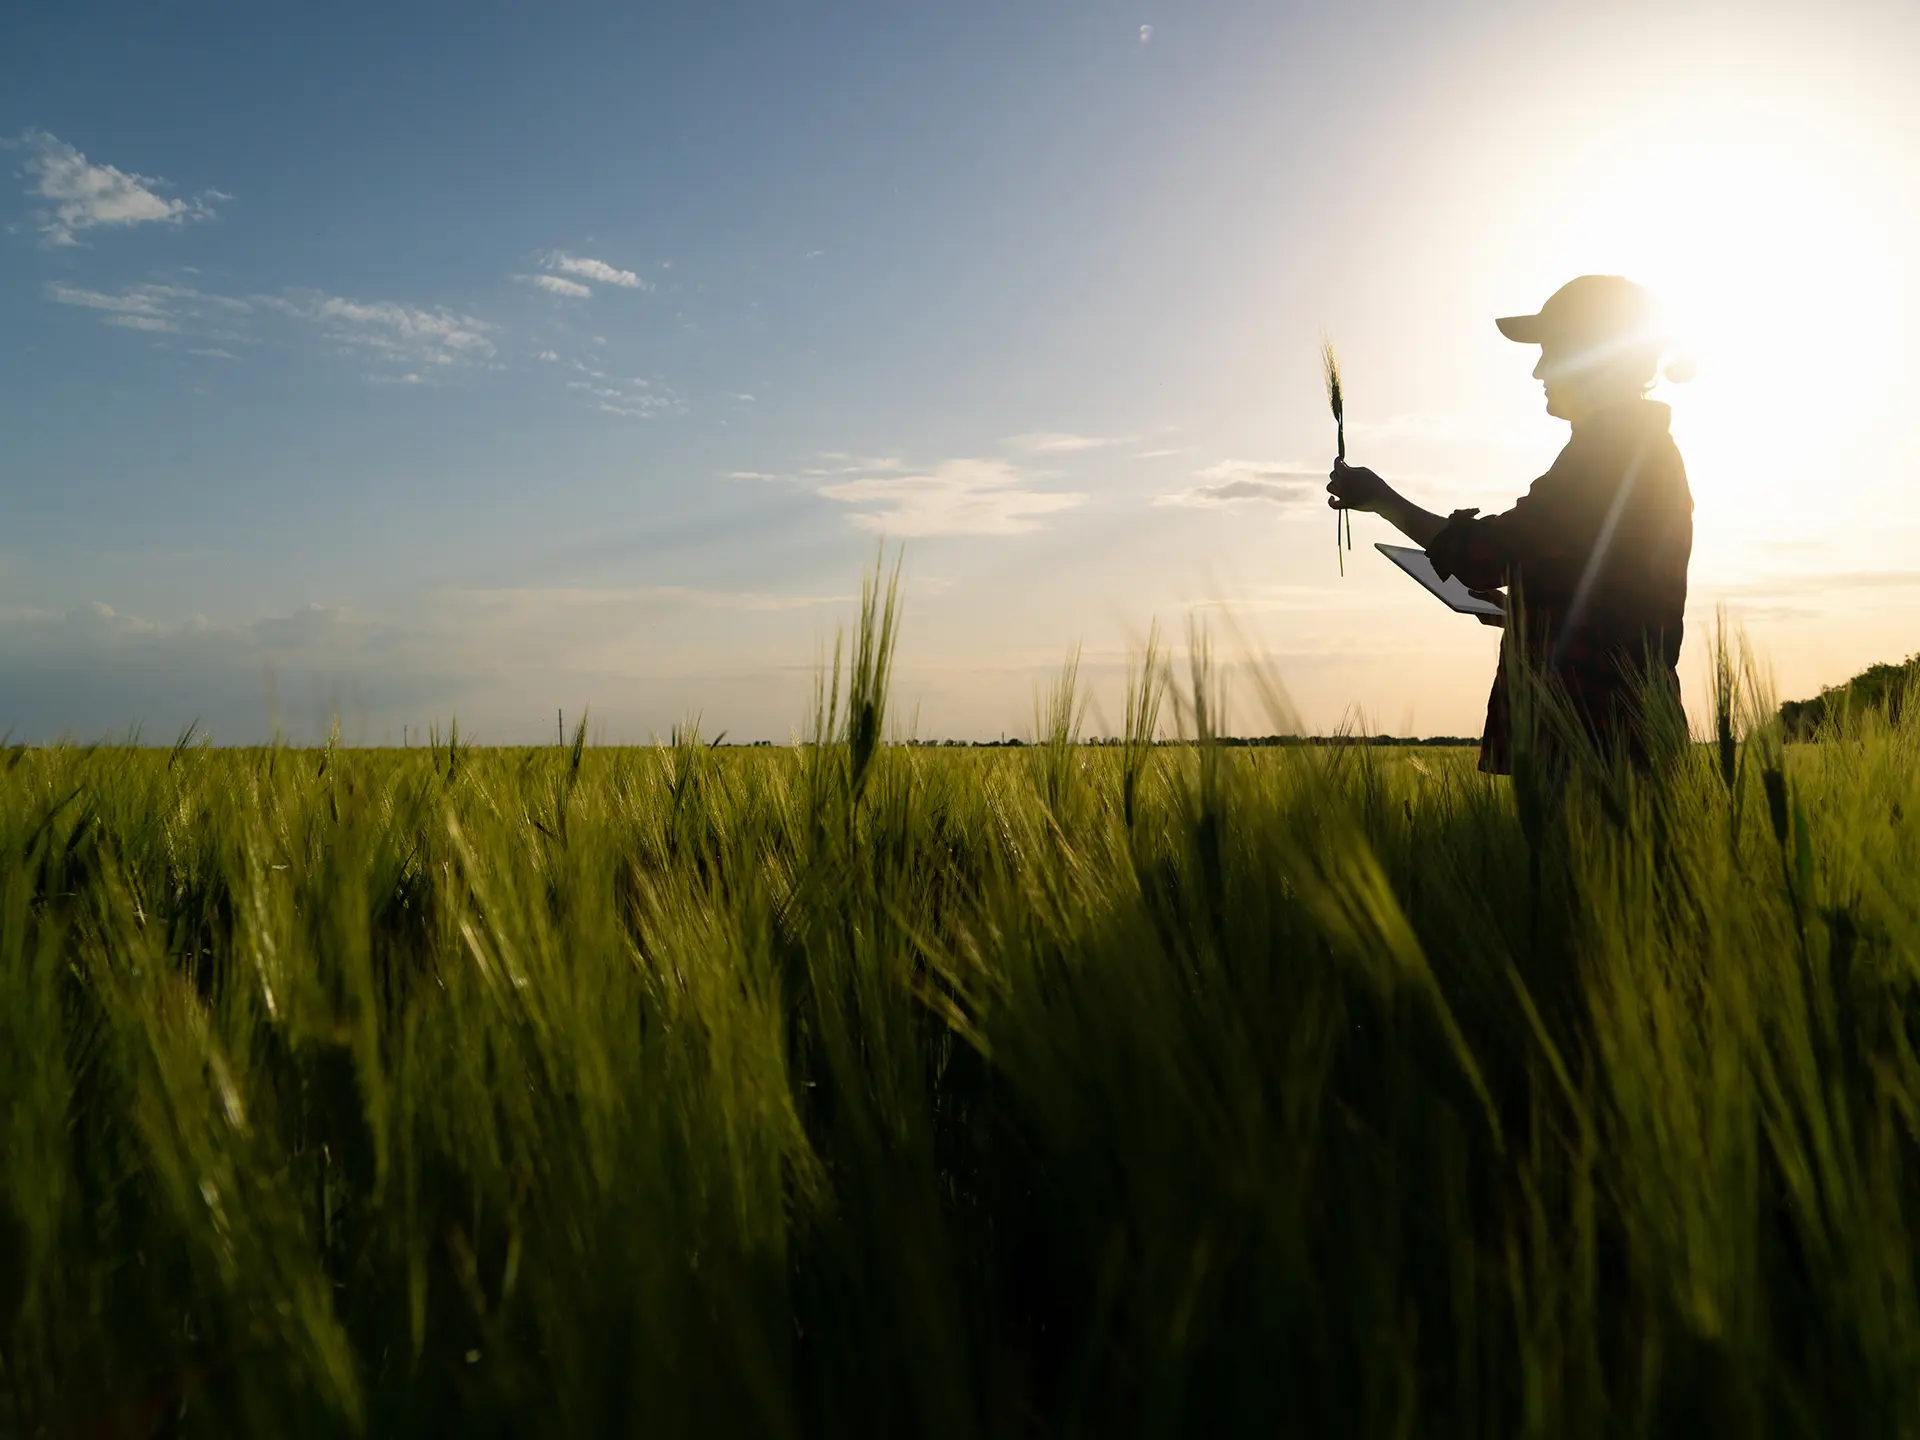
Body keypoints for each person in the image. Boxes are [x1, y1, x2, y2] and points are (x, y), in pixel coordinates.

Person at [1326, 275, 1693, 774]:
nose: (1539, 370)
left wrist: (1383, 500)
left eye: (1553, 350)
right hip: (1610, 735)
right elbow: (1601, 586)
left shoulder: (1612, 455)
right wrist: (1522, 612)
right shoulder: (1626, 450)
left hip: (1596, 739)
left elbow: (1494, 553)